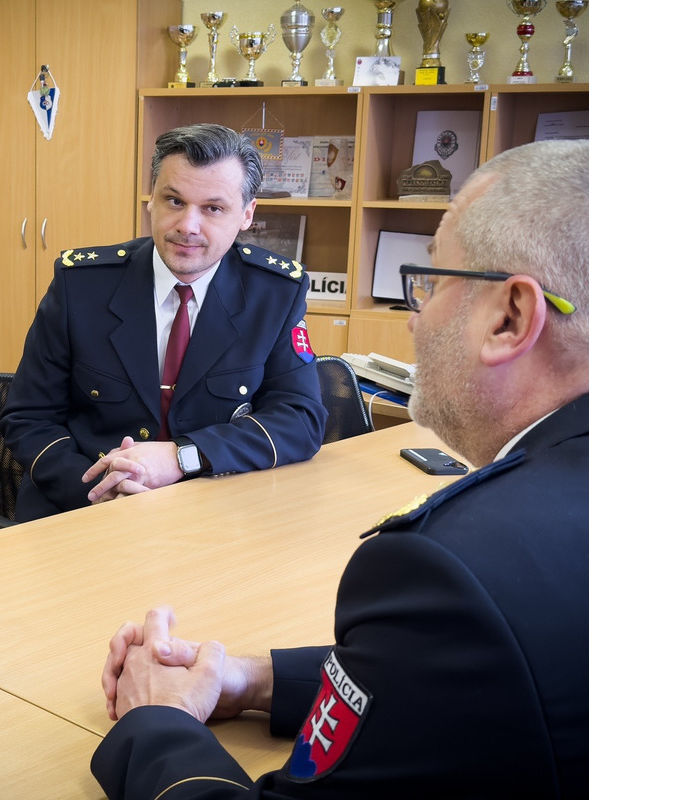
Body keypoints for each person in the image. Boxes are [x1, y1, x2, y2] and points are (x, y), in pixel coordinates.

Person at [92, 139, 589, 798]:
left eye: (431, 281)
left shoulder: (448, 572)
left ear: (510, 317)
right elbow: (458, 672)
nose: (412, 320)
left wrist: (158, 720)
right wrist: (252, 681)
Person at [0, 123, 328, 522]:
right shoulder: (81, 285)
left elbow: (300, 419)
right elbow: (28, 417)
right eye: (174, 200)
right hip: (80, 508)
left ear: (247, 214)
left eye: (213, 208)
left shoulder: (274, 292)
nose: (188, 226)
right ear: (150, 200)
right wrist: (101, 491)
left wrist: (183, 456)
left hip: (215, 510)